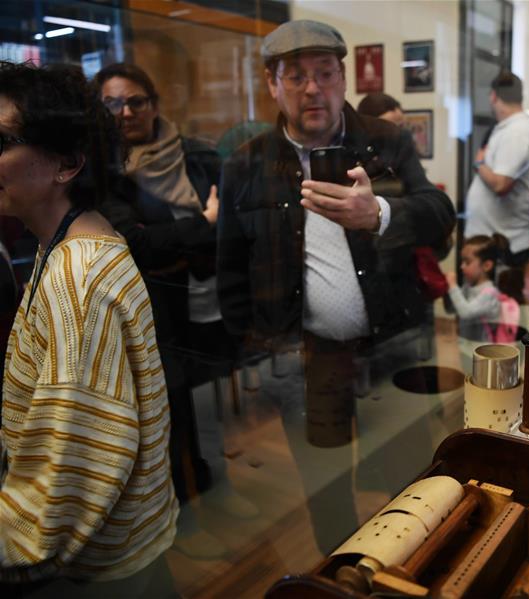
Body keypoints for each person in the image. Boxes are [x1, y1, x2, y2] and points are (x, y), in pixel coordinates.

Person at [216, 19, 454, 551]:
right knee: (326, 487)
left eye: (324, 73)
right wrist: (254, 352)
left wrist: (380, 213)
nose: (312, 88)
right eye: (295, 76)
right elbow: (230, 267)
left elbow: (440, 213)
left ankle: (412, 568)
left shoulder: (386, 142)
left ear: (343, 78)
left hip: (392, 345)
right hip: (307, 358)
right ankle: (341, 575)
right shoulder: (246, 164)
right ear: (272, 85)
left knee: (407, 478)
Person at [0, 62, 177, 593]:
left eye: (1, 140)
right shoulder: (70, 239)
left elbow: (74, 467)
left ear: (67, 163)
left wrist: (13, 540)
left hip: (101, 571)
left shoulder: (77, 279)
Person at [94, 63, 253, 559]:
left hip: (211, 298)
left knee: (209, 409)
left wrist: (198, 234)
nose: (125, 113)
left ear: (154, 104)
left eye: (135, 101)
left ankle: (215, 493)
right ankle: (184, 515)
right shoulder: (105, 171)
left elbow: (230, 219)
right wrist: (202, 225)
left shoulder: (195, 154)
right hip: (159, 309)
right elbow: (135, 242)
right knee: (171, 416)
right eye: (112, 104)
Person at [464, 71, 529, 282]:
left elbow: (500, 183)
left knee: (501, 311)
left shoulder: (518, 132)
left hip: (506, 243)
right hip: (494, 238)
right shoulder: (508, 128)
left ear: (493, 96)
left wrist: (479, 163)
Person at [445, 234, 508, 341]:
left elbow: (465, 313)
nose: (462, 266)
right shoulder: (468, 287)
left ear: (486, 265)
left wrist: (453, 286)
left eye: (467, 262)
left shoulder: (490, 294)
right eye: (462, 262)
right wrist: (446, 291)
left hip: (483, 351)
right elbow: (452, 310)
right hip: (467, 346)